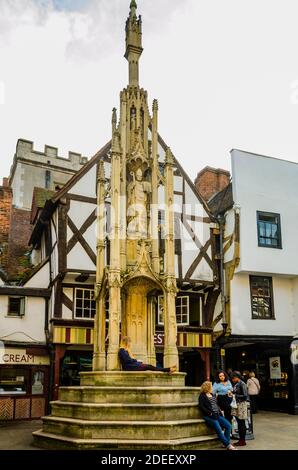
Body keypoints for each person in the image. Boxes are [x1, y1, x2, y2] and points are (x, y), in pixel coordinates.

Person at [198, 381, 236, 451]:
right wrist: (210, 413)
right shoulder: (202, 396)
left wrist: (220, 412)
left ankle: (225, 444)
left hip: (217, 415)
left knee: (228, 426)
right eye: (211, 386)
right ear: (207, 387)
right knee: (219, 430)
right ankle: (228, 445)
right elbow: (202, 406)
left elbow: (216, 404)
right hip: (209, 416)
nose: (212, 387)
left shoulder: (212, 394)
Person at [230, 371, 249, 446]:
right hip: (237, 404)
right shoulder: (237, 384)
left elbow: (245, 396)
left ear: (236, 377)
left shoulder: (242, 383)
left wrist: (234, 395)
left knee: (241, 423)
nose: (232, 380)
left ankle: (242, 440)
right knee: (239, 422)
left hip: (241, 404)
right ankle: (241, 439)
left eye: (233, 378)